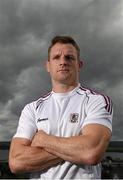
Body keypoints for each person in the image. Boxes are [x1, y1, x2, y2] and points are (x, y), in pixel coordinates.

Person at [9, 35, 113, 179]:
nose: (63, 61)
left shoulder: (97, 101)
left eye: (69, 57)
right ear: (48, 66)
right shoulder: (32, 108)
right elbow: (16, 162)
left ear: (79, 65)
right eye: (57, 57)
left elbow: (91, 152)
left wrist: (43, 140)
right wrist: (76, 148)